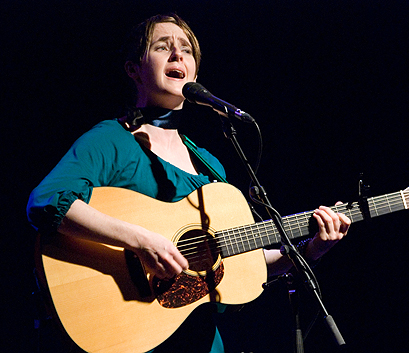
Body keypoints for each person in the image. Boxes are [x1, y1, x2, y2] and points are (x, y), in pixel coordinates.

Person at [27, 13, 351, 352]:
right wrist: (141, 241)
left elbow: (243, 267)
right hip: (135, 335)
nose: (177, 55)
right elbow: (47, 200)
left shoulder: (209, 165)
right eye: (162, 47)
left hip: (202, 340)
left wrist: (311, 249)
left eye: (186, 50)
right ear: (133, 69)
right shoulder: (110, 140)